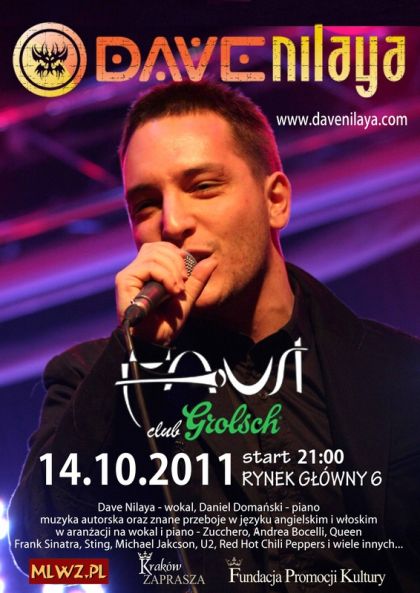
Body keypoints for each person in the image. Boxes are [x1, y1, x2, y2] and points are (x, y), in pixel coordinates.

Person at [9, 81, 420, 593]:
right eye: (146, 205)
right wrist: (137, 360)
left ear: (275, 201)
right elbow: (44, 555)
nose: (173, 223)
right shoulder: (94, 380)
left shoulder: (394, 370)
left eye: (203, 186)